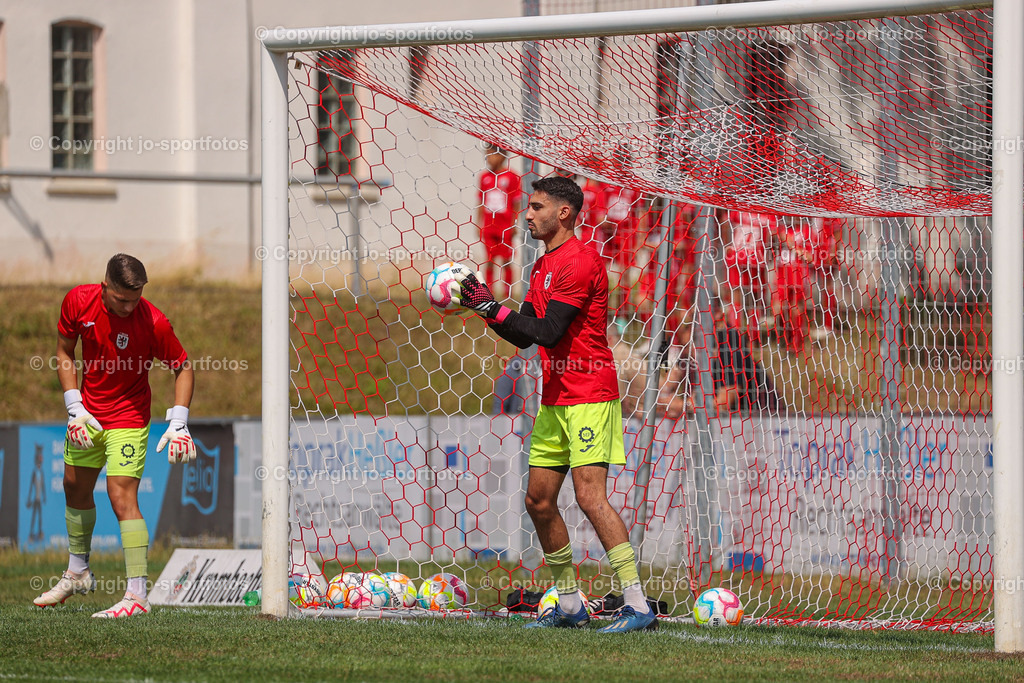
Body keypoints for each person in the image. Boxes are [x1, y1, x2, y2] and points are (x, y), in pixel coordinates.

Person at [454, 175, 658, 633]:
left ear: (563, 212)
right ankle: (569, 606)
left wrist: (491, 307)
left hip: (589, 394)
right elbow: (525, 332)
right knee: (539, 501)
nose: (527, 214)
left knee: (589, 496)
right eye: (528, 206)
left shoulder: (582, 262)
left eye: (536, 206)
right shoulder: (544, 265)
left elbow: (547, 332)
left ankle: (637, 604)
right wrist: (481, 307)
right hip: (556, 396)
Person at [33, 254, 195, 618]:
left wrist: (179, 420)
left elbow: (182, 367)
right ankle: (78, 572)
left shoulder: (154, 322)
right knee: (74, 487)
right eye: (121, 299)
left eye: (135, 299)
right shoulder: (78, 301)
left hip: (129, 416)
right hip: (87, 415)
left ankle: (137, 595)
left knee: (120, 494)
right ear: (104, 286)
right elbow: (63, 350)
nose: (128, 306)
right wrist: (74, 406)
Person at [476, 143, 522, 298]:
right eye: (487, 155)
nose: (489, 159)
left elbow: (516, 203)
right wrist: (478, 223)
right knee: (489, 259)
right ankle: (488, 292)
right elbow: (480, 203)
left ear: (503, 155)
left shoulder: (512, 177)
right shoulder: (484, 177)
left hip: (505, 226)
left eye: (492, 155)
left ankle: (507, 294)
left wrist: (514, 224)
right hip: (489, 226)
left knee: (507, 260)